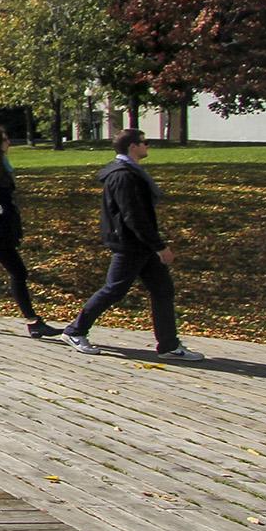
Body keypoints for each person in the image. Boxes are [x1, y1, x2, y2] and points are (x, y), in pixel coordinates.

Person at [60, 129, 204, 361]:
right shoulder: (123, 176)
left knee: (163, 290)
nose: (147, 146)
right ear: (132, 147)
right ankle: (75, 331)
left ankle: (168, 345)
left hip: (141, 245)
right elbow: (133, 216)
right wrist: (159, 246)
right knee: (114, 289)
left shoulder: (130, 172)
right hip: (130, 244)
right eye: (144, 142)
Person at [0, 126, 63, 338]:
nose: (9, 142)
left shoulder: (0, 165)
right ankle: (33, 321)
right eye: (4, 138)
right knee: (18, 271)